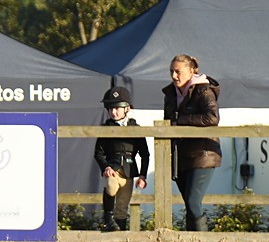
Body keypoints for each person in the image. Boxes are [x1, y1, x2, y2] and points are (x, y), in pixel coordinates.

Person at [162, 54, 221, 232]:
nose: (174, 76)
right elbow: (167, 122)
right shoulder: (170, 94)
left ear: (191, 71)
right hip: (181, 155)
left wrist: (181, 120)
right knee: (189, 204)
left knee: (193, 202)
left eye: (178, 71)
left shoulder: (204, 90)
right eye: (171, 71)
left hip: (203, 153)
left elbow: (212, 117)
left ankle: (203, 241)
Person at [93, 86, 149, 231]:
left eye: (117, 108)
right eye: (110, 108)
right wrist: (105, 166)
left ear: (127, 109)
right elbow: (98, 152)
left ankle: (121, 231)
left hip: (129, 171)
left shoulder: (136, 128)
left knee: (123, 204)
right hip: (113, 168)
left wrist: (142, 175)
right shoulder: (105, 128)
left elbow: (144, 154)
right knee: (111, 185)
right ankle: (107, 219)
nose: (113, 112)